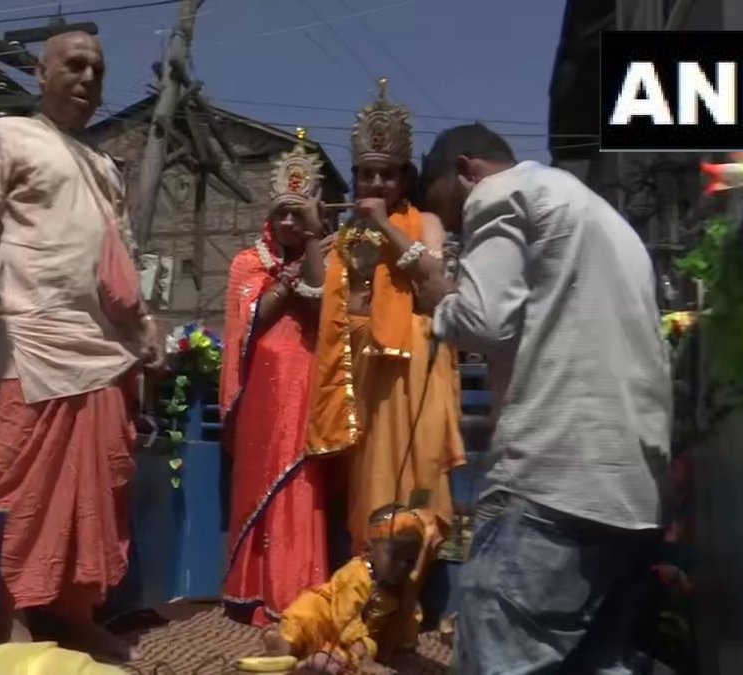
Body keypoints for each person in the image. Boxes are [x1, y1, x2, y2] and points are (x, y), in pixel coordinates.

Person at [413, 123, 672, 674]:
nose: (454, 228)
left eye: (447, 210)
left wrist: (440, 299)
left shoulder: (503, 194)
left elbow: (484, 322)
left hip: (552, 484)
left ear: (466, 171)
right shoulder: (604, 218)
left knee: (498, 655)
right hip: (633, 492)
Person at [0, 31, 164, 660]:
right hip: (26, 345)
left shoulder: (104, 167)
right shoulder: (8, 136)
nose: (88, 78)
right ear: (41, 73)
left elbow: (118, 264)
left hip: (100, 352)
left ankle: (73, 616)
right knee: (17, 492)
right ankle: (7, 618)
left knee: (95, 497)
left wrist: (145, 327)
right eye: (74, 65)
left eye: (97, 70)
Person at [306, 78, 465, 560]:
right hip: (361, 369)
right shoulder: (346, 235)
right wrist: (313, 233)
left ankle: (408, 576)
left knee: (407, 474)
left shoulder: (424, 222)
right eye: (367, 175)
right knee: (367, 482)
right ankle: (369, 572)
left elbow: (430, 274)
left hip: (408, 366)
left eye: (388, 175)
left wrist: (383, 224)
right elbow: (318, 295)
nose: (377, 184)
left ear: (404, 179)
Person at [220, 129, 334, 626]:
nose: (288, 222)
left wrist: (311, 244)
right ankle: (250, 590)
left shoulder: (322, 255)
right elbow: (251, 322)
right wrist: (283, 284)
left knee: (301, 480)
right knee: (259, 479)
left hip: (305, 382)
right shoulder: (248, 263)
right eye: (282, 213)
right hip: (262, 391)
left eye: (297, 213)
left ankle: (295, 591)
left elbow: (323, 308)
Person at [262, 504, 444, 674]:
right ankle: (283, 647)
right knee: (305, 614)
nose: (402, 566)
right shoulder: (356, 575)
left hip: (353, 640)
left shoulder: (403, 586)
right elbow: (346, 618)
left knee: (358, 652)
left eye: (410, 560)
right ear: (370, 550)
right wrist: (366, 660)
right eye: (394, 557)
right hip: (330, 620)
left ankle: (314, 661)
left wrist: (386, 656)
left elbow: (398, 623)